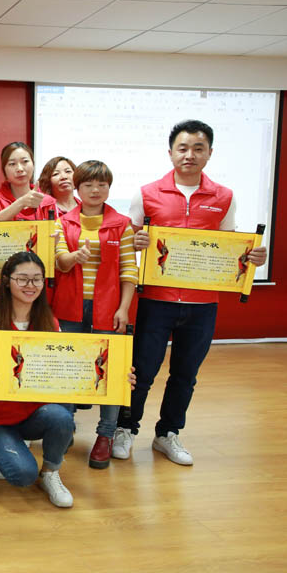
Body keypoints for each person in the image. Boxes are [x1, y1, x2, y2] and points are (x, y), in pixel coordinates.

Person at [116, 120, 267, 466]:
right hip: (156, 300)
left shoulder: (224, 196)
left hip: (202, 304)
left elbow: (228, 247)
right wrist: (137, 241)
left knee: (185, 375)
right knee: (142, 371)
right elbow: (125, 241)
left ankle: (167, 433)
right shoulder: (147, 193)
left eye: (198, 148)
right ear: (170, 152)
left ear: (209, 153)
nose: (190, 155)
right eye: (182, 148)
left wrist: (251, 256)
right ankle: (126, 428)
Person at [53, 160, 137, 469]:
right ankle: (64, 427)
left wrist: (124, 308)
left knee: (111, 371)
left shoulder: (122, 224)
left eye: (102, 184)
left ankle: (106, 435)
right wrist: (74, 256)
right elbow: (59, 262)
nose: (95, 190)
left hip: (109, 308)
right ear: (77, 188)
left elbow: (129, 270)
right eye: (88, 184)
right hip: (70, 306)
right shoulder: (63, 222)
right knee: (68, 369)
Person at [0, 252, 75, 507]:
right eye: (22, 279)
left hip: (32, 414)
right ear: (7, 281)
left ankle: (51, 472)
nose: (30, 286)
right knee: (22, 475)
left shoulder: (50, 323)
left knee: (63, 418)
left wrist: (116, 377)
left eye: (37, 279)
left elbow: (64, 371)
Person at [0, 142, 58, 311]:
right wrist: (22, 202)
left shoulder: (48, 202)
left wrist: (55, 241)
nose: (20, 168)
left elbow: (55, 239)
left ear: (33, 164)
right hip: (0, 285)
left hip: (35, 284)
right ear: (4, 170)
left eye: (25, 162)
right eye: (12, 164)